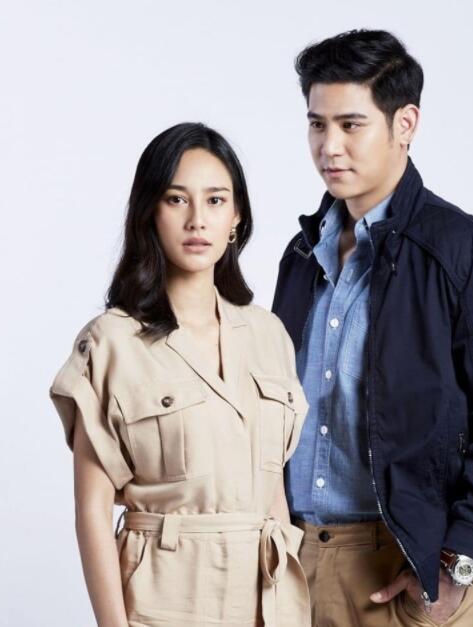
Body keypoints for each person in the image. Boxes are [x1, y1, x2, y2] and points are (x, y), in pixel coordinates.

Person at [272, 29, 473, 627]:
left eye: (351, 124)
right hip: (291, 558)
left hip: (407, 565)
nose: (329, 147)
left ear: (405, 124)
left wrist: (457, 559)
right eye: (317, 124)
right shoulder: (301, 256)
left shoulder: (467, 254)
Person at [49, 122, 311, 627]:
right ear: (150, 211)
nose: (197, 220)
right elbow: (92, 511)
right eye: (176, 199)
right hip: (164, 600)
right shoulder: (111, 342)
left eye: (215, 201)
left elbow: (273, 494)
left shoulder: (268, 334)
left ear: (236, 217)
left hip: (268, 601)